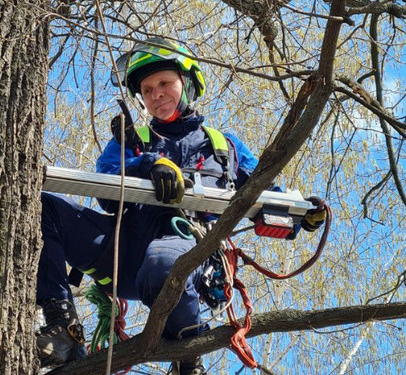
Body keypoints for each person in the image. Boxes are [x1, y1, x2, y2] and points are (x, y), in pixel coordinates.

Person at [36, 37, 327, 374]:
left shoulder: (224, 147)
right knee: (44, 208)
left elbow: (265, 197)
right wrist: (146, 163)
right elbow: (106, 192)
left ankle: (188, 355)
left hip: (185, 247)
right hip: (125, 247)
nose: (156, 94)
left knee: (162, 266)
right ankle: (64, 329)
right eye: (147, 89)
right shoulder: (133, 139)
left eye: (164, 83)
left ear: (187, 83)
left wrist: (302, 214)